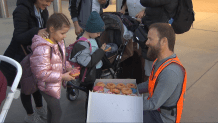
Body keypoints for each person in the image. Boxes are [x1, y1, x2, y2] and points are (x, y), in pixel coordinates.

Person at [0, 0, 53, 122]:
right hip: (20, 57)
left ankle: (40, 109)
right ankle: (30, 115)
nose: (48, 4)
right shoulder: (21, 10)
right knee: (26, 86)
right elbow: (18, 36)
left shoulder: (42, 9)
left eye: (51, 1)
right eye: (47, 1)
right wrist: (36, 31)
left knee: (37, 83)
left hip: (35, 55)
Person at [30, 13, 75, 123]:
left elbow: (62, 60)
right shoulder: (43, 48)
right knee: (57, 112)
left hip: (53, 84)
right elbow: (40, 73)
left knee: (52, 110)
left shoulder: (59, 42)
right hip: (46, 86)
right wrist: (62, 76)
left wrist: (68, 68)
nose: (64, 36)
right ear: (52, 29)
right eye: (62, 33)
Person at [137, 23, 187, 123]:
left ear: (163, 41)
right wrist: (132, 90)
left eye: (150, 39)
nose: (146, 42)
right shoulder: (159, 62)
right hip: (156, 110)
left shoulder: (170, 72)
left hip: (163, 118)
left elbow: (152, 104)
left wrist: (128, 102)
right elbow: (149, 85)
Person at [69, 11, 106, 120]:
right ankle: (90, 117)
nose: (99, 35)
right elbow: (88, 62)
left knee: (96, 93)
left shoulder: (94, 39)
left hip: (96, 71)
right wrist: (101, 51)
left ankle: (95, 113)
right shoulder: (82, 44)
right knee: (91, 96)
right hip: (89, 75)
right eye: (98, 32)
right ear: (91, 30)